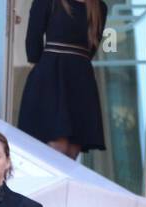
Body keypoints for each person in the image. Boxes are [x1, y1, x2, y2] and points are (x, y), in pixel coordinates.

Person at [17, 0, 109, 159]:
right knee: (56, 146)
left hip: (80, 80)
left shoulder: (99, 7)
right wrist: (42, 72)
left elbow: (92, 47)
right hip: (51, 76)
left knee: (72, 150)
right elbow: (33, 37)